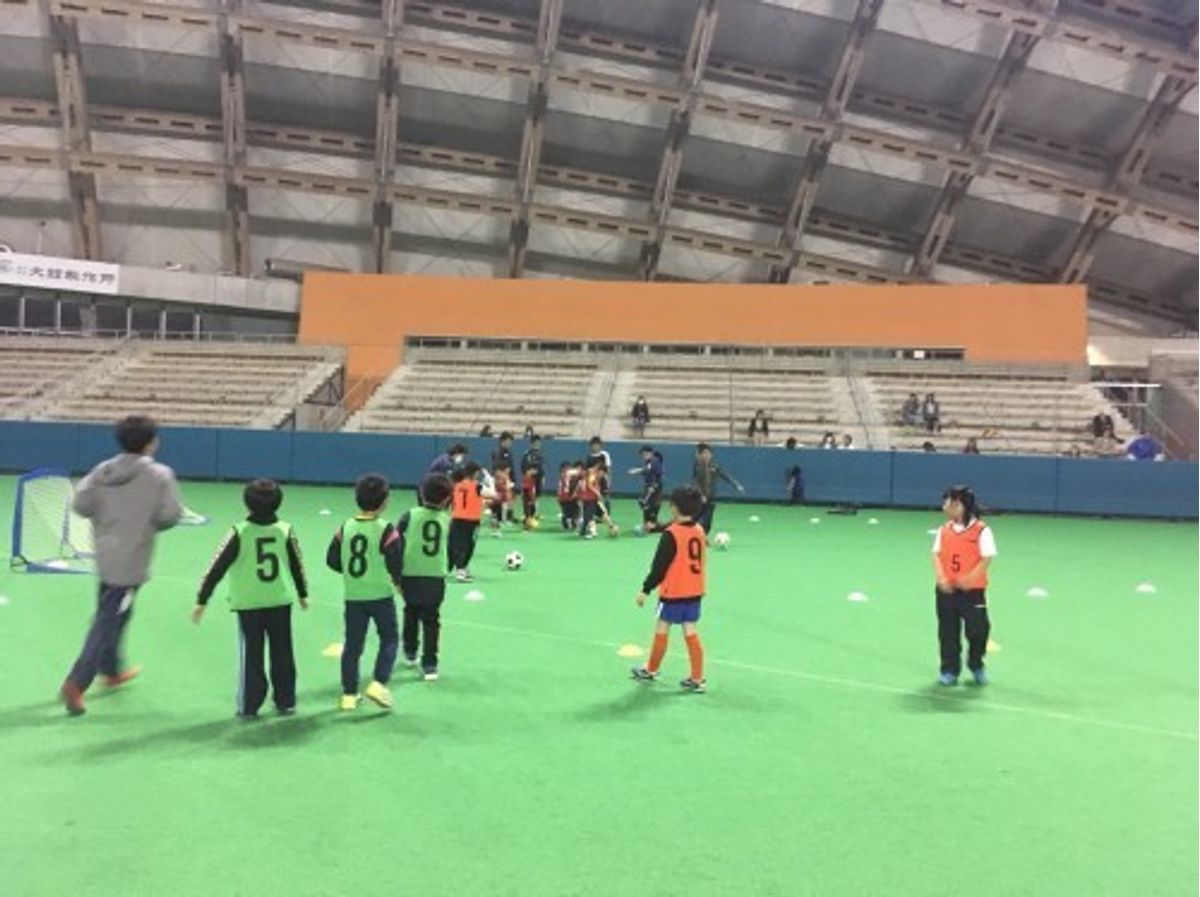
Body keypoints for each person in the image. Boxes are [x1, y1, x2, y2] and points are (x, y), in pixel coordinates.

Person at [60, 415, 183, 716]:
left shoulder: (103, 469)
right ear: (151, 442)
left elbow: (80, 504)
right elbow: (170, 515)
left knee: (115, 611)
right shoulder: (160, 475)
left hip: (105, 554)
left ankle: (111, 668)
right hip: (132, 559)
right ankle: (77, 682)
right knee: (108, 619)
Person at [192, 479, 309, 717]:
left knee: (252, 655)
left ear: (247, 504)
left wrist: (202, 599)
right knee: (283, 651)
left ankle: (249, 704)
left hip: (249, 604)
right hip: (279, 600)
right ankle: (286, 700)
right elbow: (297, 564)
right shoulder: (285, 530)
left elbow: (217, 567)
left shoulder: (239, 532)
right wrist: (303, 593)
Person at [326, 473, 403, 711]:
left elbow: (332, 560)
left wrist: (350, 572)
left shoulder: (345, 527)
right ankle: (379, 682)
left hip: (354, 597)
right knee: (389, 639)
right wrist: (398, 583)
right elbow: (395, 562)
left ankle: (349, 694)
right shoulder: (386, 529)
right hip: (380, 595)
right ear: (385, 501)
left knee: (353, 645)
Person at [631, 484, 709, 693]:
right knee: (690, 631)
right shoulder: (699, 530)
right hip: (695, 591)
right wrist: (656, 527)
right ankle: (697, 678)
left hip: (673, 592)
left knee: (662, 628)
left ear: (674, 507)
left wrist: (645, 590)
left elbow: (659, 568)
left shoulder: (671, 534)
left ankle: (651, 669)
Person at [932, 485, 996, 686]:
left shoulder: (981, 530)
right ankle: (950, 670)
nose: (945, 506)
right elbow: (935, 554)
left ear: (960, 506)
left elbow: (987, 557)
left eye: (949, 502)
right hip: (947, 592)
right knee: (947, 633)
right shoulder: (944, 530)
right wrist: (941, 577)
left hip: (972, 592)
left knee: (978, 630)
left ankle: (976, 662)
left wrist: (970, 578)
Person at [396, 475, 453, 682]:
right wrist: (449, 566)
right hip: (435, 575)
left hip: (410, 573)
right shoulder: (447, 520)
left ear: (421, 493)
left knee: (410, 611)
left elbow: (395, 540)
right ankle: (430, 664)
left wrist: (397, 567)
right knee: (431, 619)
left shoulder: (409, 515)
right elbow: (452, 549)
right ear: (447, 499)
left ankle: (410, 650)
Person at [449, 462, 490, 582]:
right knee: (467, 545)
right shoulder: (477, 486)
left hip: (457, 519)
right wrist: (489, 480)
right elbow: (493, 494)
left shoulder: (457, 485)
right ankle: (461, 570)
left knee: (455, 545)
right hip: (472, 520)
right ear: (475, 473)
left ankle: (457, 569)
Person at [692, 442, 744, 535]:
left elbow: (724, 475)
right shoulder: (698, 466)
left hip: (711, 496)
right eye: (704, 453)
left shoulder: (714, 466)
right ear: (700, 455)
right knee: (695, 518)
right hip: (699, 498)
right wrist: (701, 495)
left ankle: (703, 537)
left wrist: (736, 485)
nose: (707, 455)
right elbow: (696, 482)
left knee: (708, 521)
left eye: (709, 453)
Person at [628, 445, 665, 533]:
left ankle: (652, 524)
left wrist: (653, 486)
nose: (642, 456)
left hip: (654, 486)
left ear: (649, 453)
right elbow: (647, 470)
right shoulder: (649, 462)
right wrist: (638, 470)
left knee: (648, 503)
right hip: (649, 485)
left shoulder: (654, 461)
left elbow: (658, 474)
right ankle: (649, 523)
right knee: (646, 503)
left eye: (644, 453)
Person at [520, 434, 544, 527]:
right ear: (532, 443)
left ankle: (532, 516)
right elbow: (523, 466)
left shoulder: (540, 454)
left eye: (539, 442)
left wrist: (542, 476)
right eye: (535, 442)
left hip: (537, 479)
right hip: (529, 480)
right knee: (527, 499)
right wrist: (528, 472)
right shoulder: (527, 454)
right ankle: (527, 518)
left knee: (535, 498)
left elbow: (541, 467)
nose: (537, 444)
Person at [557, 461, 582, 531]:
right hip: (567, 497)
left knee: (570, 511)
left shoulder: (565, 476)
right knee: (574, 511)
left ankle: (570, 521)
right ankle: (571, 521)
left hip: (564, 498)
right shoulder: (569, 475)